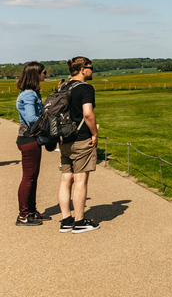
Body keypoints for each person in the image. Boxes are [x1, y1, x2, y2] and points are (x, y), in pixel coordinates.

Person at [58, 56, 100, 233]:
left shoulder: (62, 87)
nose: (92, 71)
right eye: (91, 68)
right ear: (83, 69)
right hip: (80, 137)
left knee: (66, 179)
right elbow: (87, 114)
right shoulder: (86, 88)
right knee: (81, 180)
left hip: (63, 138)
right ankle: (79, 221)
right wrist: (94, 133)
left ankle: (66, 219)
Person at [15, 62, 52, 226]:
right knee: (29, 178)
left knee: (33, 177)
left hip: (28, 138)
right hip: (29, 138)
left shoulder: (30, 93)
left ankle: (31, 211)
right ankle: (23, 216)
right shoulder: (29, 94)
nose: (45, 74)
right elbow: (31, 118)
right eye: (43, 72)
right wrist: (47, 128)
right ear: (35, 74)